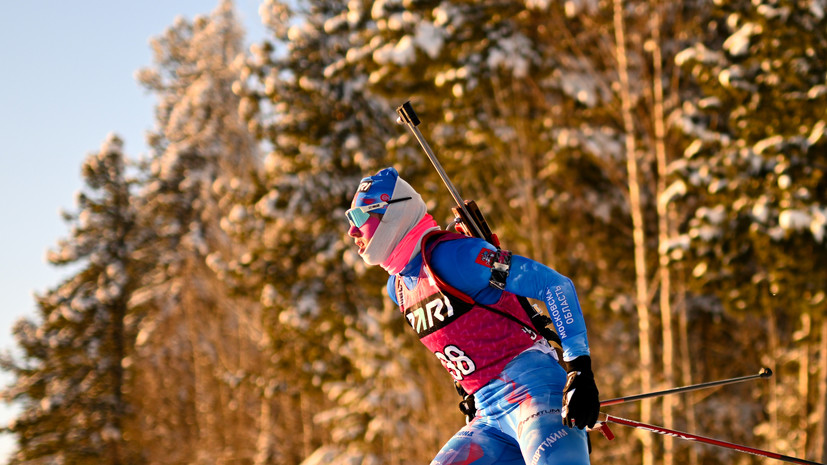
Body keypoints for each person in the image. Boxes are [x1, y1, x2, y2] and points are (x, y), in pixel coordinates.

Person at [345, 167, 599, 465]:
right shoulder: (399, 288)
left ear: (392, 214)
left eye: (360, 218)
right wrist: (466, 388)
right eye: (350, 221)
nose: (352, 230)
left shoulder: (456, 256)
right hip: (489, 416)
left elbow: (553, 285)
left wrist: (579, 370)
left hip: (536, 394)